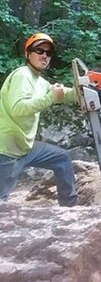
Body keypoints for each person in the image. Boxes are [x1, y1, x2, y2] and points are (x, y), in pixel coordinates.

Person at [0, 33, 78, 206]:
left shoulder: (40, 81)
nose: (44, 55)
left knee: (61, 158)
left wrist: (82, 91)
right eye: (39, 50)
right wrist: (50, 97)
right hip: (6, 151)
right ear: (28, 54)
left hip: (24, 147)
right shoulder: (22, 75)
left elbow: (61, 93)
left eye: (48, 53)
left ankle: (70, 209)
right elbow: (18, 108)